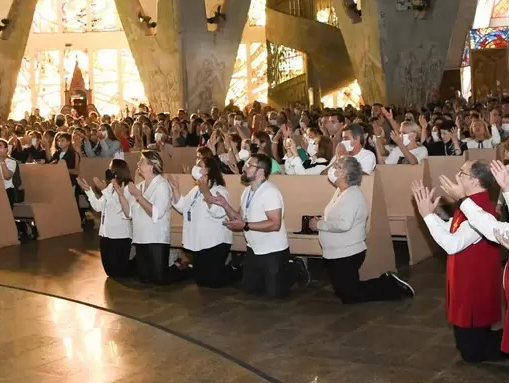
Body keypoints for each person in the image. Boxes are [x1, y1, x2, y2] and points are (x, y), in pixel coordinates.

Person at [412, 162, 503, 363]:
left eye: (462, 173)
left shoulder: (480, 208)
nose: (457, 175)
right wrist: (430, 215)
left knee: (472, 352)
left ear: (474, 180)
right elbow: (452, 229)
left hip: (473, 285)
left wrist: (428, 216)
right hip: (464, 280)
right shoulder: (470, 204)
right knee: (470, 342)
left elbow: (452, 244)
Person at [309, 156, 413, 303]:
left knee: (350, 295)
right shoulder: (340, 191)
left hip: (347, 252)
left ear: (344, 173)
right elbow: (337, 216)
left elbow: (344, 224)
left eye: (337, 167)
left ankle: (390, 285)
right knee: (346, 292)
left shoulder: (352, 195)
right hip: (336, 252)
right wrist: (321, 220)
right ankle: (386, 283)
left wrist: (320, 225)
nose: (332, 169)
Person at [212, 153, 309, 299]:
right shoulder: (247, 191)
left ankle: (296, 266)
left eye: (249, 165)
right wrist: (224, 204)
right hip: (254, 249)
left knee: (276, 293)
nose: (244, 168)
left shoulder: (270, 192)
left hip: (273, 250)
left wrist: (245, 225)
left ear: (260, 171)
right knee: (251, 288)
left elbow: (275, 224)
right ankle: (270, 276)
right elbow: (240, 217)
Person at [172, 156, 236, 287]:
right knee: (201, 280)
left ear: (208, 170)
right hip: (199, 242)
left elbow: (218, 212)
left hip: (216, 241)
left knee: (213, 281)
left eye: (199, 165)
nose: (196, 168)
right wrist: (175, 189)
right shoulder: (195, 190)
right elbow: (184, 207)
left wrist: (206, 192)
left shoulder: (219, 190)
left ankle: (235, 270)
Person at [127, 150, 179, 284]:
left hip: (156, 237)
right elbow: (130, 213)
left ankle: (181, 266)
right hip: (141, 238)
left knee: (160, 279)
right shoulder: (140, 186)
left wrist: (139, 196)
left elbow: (156, 213)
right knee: (145, 278)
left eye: (142, 161)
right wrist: (122, 195)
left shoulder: (162, 185)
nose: (138, 163)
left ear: (152, 166)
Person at [77, 159, 133, 278]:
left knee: (119, 272)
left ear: (117, 171)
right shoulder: (110, 187)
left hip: (120, 235)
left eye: (110, 167)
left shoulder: (127, 186)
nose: (108, 170)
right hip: (106, 234)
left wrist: (104, 191)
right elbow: (98, 206)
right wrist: (89, 191)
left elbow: (120, 208)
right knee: (109, 271)